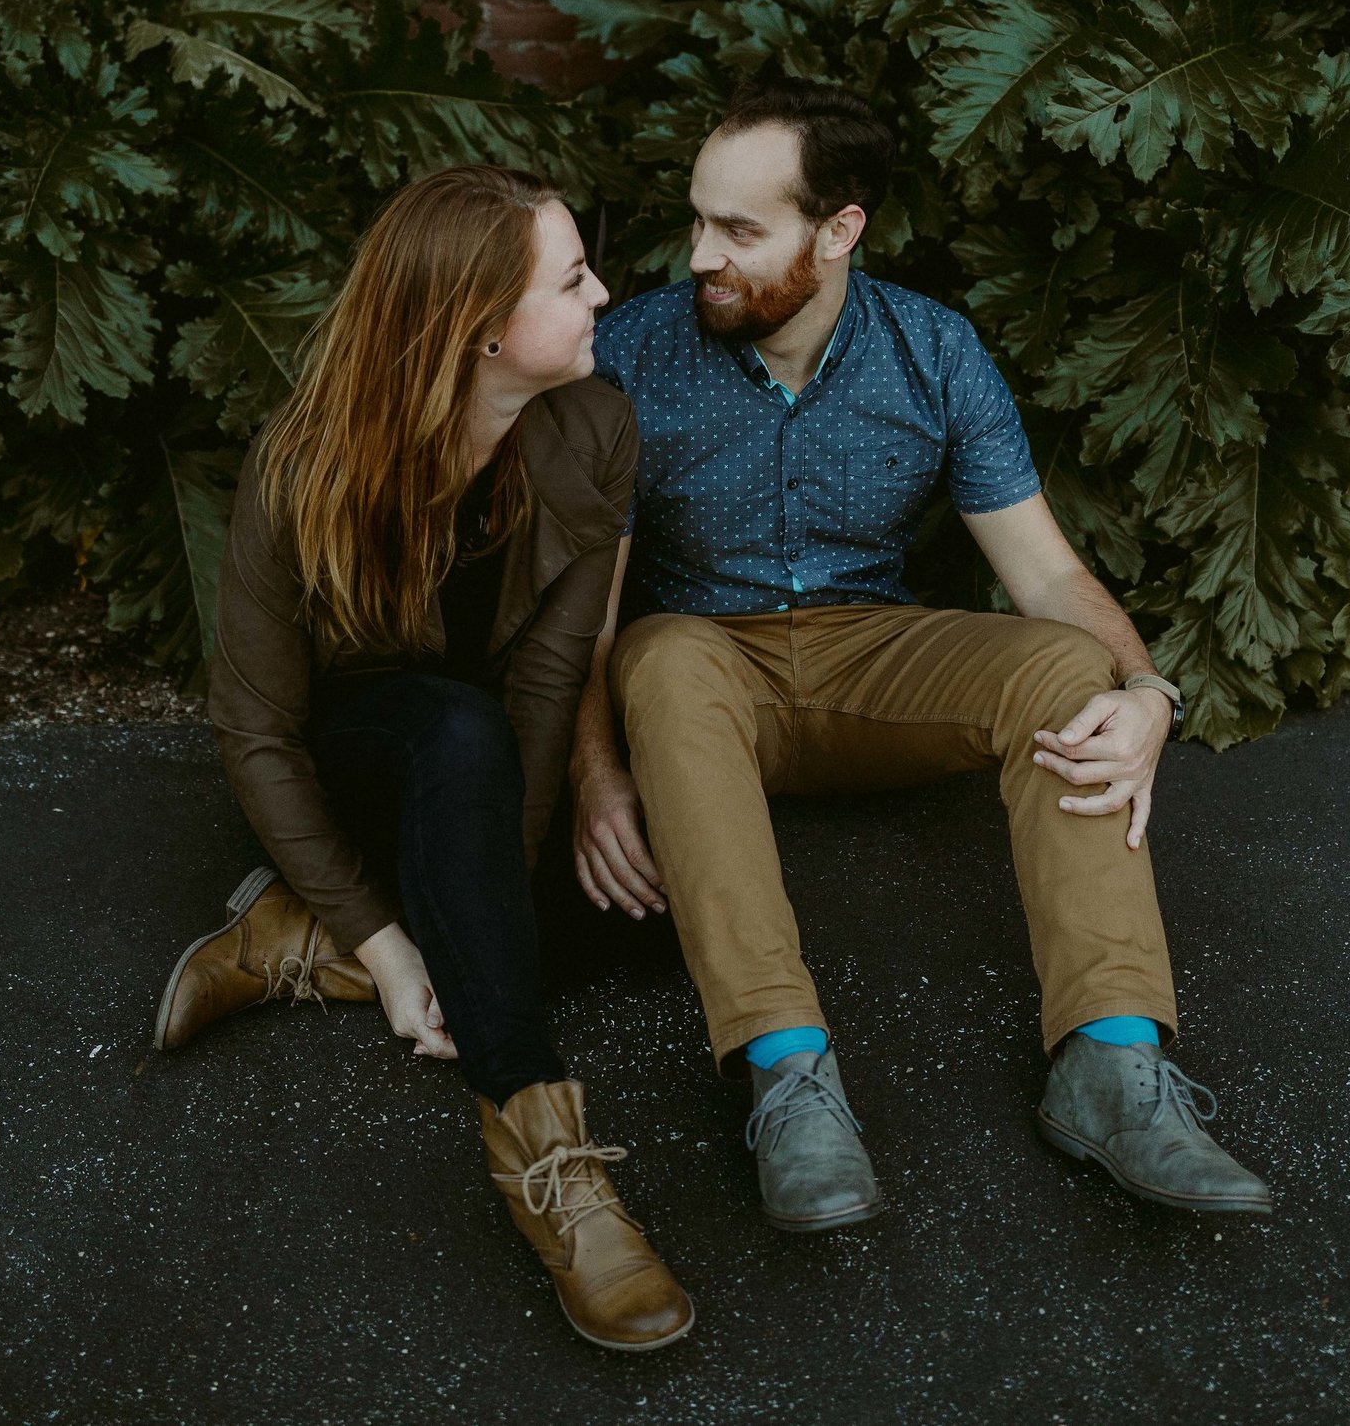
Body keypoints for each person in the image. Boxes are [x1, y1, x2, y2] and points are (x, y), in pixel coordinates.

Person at [570, 81, 1273, 1231]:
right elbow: (588, 612)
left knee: (1067, 668)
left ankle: (1108, 1062)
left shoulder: (932, 350)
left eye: (740, 230)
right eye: (698, 220)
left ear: (837, 230)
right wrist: (591, 773)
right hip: (707, 670)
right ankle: (789, 1079)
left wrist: (1147, 691)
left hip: (871, 656)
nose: (701, 255)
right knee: (660, 659)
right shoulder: (634, 354)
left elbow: (1046, 576)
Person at [150, 165, 694, 1352]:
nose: (605, 291)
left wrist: (506, 874)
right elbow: (256, 730)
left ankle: (294, 940)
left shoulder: (592, 425)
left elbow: (552, 678)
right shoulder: (302, 464)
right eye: (572, 277)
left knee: (650, 915)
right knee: (454, 727)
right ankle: (554, 1170)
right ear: (481, 329)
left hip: (496, 765)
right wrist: (397, 944)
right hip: (372, 755)